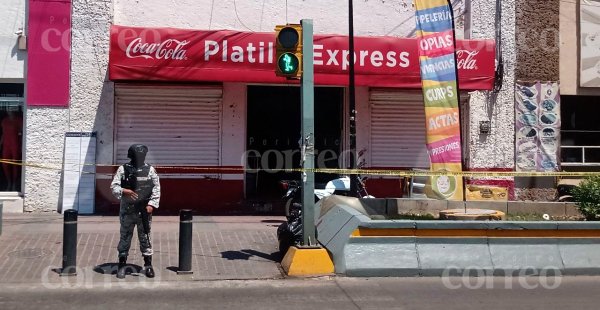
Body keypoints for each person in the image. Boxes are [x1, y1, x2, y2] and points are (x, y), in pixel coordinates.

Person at [110, 144, 160, 279]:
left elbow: (156, 188)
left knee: (145, 238)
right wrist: (124, 191)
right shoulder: (123, 169)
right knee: (125, 237)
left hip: (143, 211)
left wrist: (151, 205)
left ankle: (148, 265)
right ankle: (121, 264)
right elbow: (114, 186)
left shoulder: (150, 170)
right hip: (127, 211)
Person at [0, 110, 23, 191]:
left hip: (15, 144)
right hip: (6, 145)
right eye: (9, 109)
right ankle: (9, 182)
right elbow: (3, 133)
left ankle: (14, 183)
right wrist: (0, 144)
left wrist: (21, 146)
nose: (10, 110)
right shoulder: (4, 120)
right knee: (5, 164)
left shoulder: (19, 120)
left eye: (12, 109)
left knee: (15, 164)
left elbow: (21, 133)